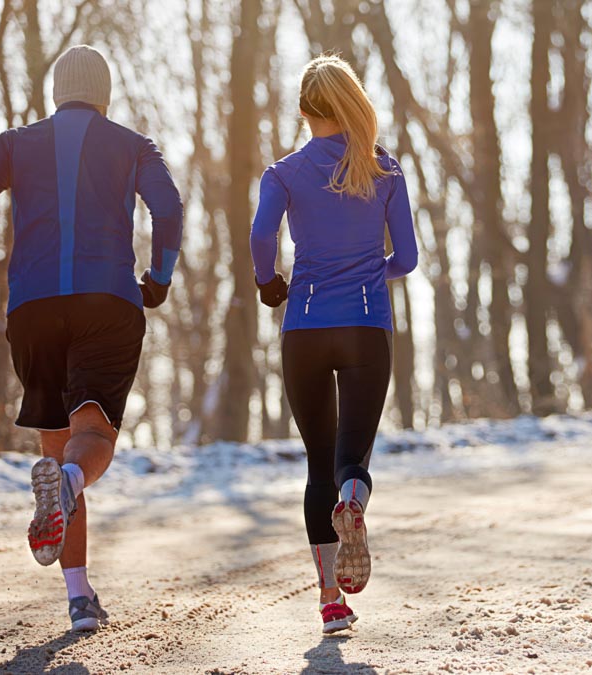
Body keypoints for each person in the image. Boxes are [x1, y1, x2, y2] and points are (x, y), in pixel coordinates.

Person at [0, 45, 183, 632]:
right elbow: (169, 208)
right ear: (104, 94)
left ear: (56, 91)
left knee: (56, 447)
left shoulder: (12, 143)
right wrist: (157, 279)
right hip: (107, 303)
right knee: (92, 438)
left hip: (32, 309)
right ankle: (70, 485)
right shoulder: (132, 145)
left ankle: (79, 597)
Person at [249, 54, 417, 635]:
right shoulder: (383, 168)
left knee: (317, 464)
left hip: (305, 327)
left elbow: (261, 233)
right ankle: (354, 500)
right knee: (353, 459)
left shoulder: (284, 173)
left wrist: (269, 280)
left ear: (302, 110)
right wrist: (374, 269)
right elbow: (410, 259)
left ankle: (330, 602)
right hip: (367, 326)